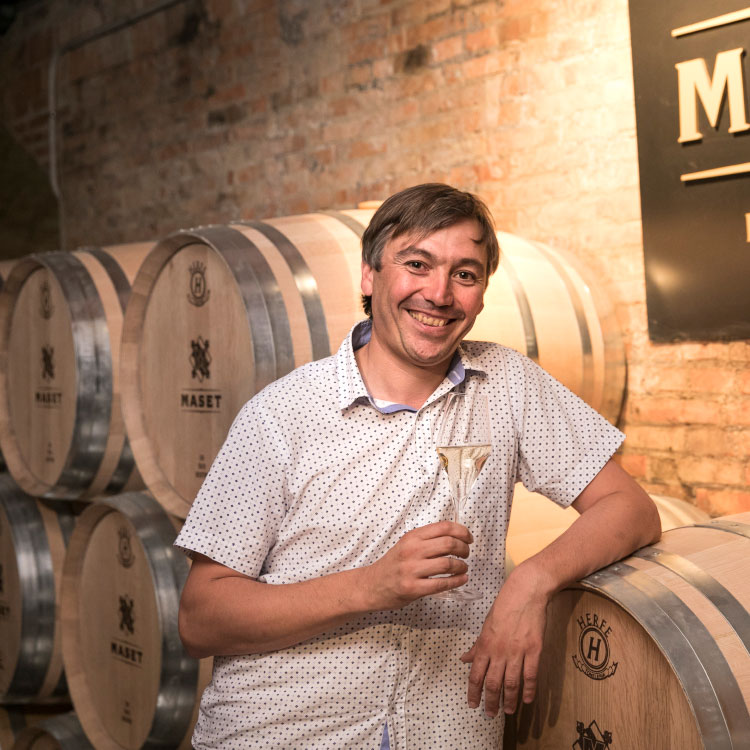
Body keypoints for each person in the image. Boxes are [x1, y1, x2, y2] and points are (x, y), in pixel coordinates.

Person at [176, 183, 661, 750]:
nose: (439, 293)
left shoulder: (506, 385)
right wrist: (370, 585)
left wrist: (530, 582)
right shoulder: (282, 414)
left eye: (465, 273)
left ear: (481, 293)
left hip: (445, 732)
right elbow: (200, 618)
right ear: (369, 275)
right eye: (416, 264)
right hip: (283, 731)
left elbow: (630, 509)